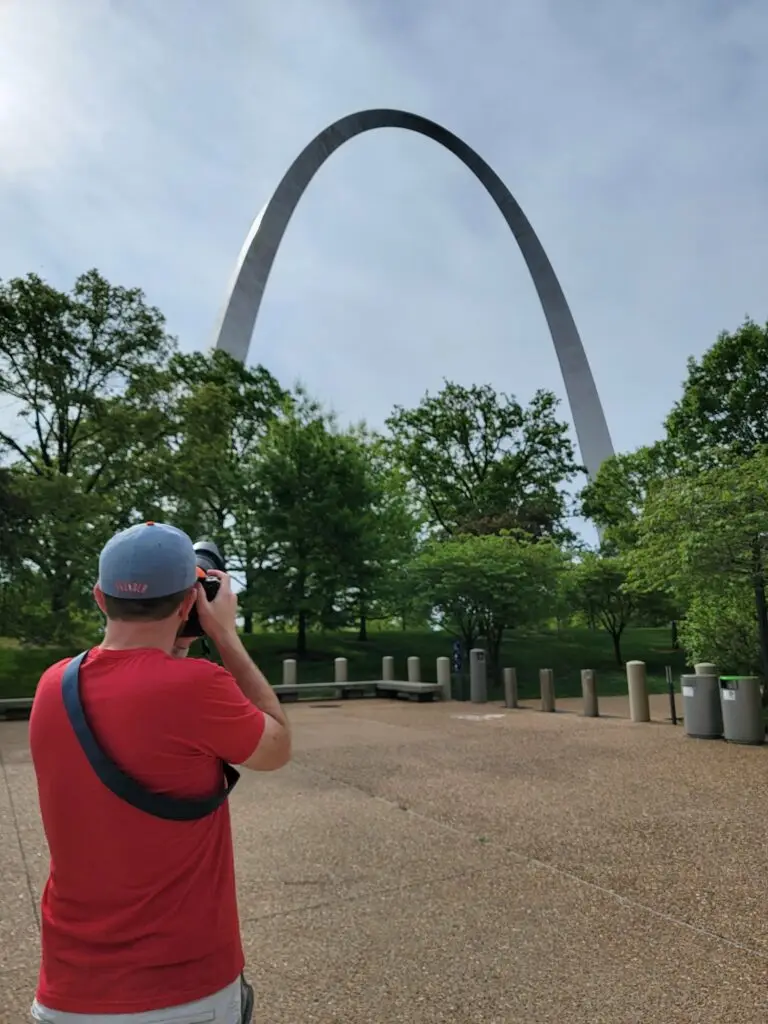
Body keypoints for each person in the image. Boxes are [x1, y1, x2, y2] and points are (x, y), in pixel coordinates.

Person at [28, 522, 291, 1023]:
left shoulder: (51, 686)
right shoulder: (197, 689)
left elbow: (134, 682)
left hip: (67, 991)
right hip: (181, 993)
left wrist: (176, 635)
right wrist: (225, 636)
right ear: (190, 602)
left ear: (100, 598)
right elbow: (276, 746)